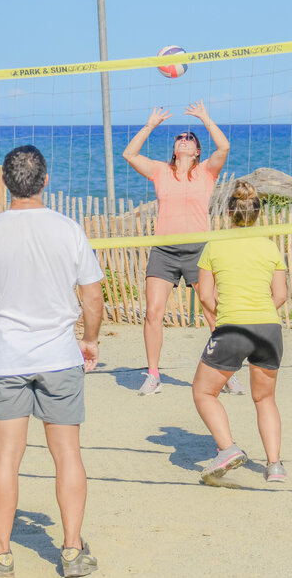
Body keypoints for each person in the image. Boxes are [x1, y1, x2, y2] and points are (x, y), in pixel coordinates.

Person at [0, 145, 105, 578]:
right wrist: (90, 340)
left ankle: (1, 556)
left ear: (5, 182)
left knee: (5, 458)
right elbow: (92, 295)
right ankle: (72, 552)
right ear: (46, 181)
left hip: (6, 359)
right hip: (59, 357)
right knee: (67, 455)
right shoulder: (69, 229)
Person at [121, 100, 232, 396]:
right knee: (153, 313)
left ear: (197, 150)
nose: (184, 140)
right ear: (174, 148)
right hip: (165, 250)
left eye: (190, 139)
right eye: (179, 138)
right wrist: (150, 125)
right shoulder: (160, 171)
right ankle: (154, 375)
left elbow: (223, 148)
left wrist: (206, 118)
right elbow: (129, 154)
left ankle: (226, 371)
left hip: (199, 250)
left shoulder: (207, 171)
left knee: (212, 311)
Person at [191, 180, 290, 484]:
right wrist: (259, 313)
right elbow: (281, 295)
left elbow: (205, 295)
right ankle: (274, 466)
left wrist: (226, 314)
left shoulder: (215, 244)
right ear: (258, 214)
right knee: (265, 399)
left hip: (233, 326)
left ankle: (227, 448)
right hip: (268, 328)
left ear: (228, 212)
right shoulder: (269, 245)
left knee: (203, 392)